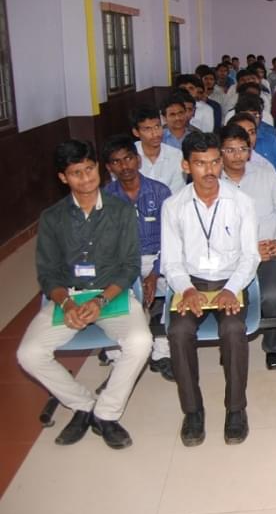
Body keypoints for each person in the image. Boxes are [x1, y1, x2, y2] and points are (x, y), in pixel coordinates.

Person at [17, 140, 151, 449]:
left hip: (111, 294)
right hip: (68, 298)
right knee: (28, 354)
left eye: (89, 169)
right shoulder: (52, 218)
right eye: (76, 173)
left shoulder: (120, 211)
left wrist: (100, 300)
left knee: (140, 341)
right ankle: (83, 403)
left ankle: (106, 413)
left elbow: (130, 265)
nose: (86, 178)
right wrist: (65, 303)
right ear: (64, 178)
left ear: (99, 170)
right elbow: (47, 273)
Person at [161, 131, 261, 446]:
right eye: (200, 163)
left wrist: (231, 288)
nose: (210, 171)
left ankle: (236, 409)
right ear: (186, 166)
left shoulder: (241, 202)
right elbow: (171, 262)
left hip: (230, 281)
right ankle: (192, 411)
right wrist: (186, 289)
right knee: (178, 333)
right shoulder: (173, 206)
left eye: (215, 162)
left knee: (233, 329)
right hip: (190, 283)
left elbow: (250, 256)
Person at [218, 124, 276, 370]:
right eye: (230, 150)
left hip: (269, 252)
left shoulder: (267, 176)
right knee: (230, 297)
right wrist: (247, 251)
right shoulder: (213, 184)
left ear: (250, 152)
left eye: (242, 149)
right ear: (220, 152)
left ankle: (274, 346)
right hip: (231, 258)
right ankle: (230, 343)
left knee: (273, 296)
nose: (237, 155)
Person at [102, 136, 174, 381]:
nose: (125, 166)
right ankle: (120, 353)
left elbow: (172, 239)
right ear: (110, 168)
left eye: (129, 158)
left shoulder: (160, 191)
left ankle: (161, 352)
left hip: (159, 257)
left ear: (138, 160)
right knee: (114, 291)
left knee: (178, 288)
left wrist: (154, 271)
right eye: (117, 162)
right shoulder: (105, 199)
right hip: (124, 262)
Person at [130, 105, 185, 194]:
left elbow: (177, 194)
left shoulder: (176, 155)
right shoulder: (129, 156)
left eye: (157, 127)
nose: (155, 133)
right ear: (136, 132)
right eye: (147, 129)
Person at [231, 95, 276, 174]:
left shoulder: (271, 140)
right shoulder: (227, 140)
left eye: (255, 115)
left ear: (261, 117)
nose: (250, 119)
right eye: (246, 115)